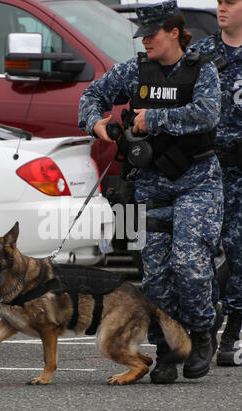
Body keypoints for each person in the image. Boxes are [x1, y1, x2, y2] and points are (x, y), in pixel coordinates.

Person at [78, 0, 223, 383]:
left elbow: (208, 114)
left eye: (152, 34)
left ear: (174, 32)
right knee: (156, 276)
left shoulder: (201, 71)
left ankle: (202, 331)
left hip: (197, 182)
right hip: (151, 185)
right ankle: (167, 348)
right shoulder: (134, 71)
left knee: (189, 266)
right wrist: (97, 123)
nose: (145, 41)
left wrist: (152, 117)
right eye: (141, 35)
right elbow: (90, 98)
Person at [193, 0, 242, 367]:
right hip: (207, 169)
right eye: (219, 1)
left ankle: (233, 334)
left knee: (239, 254)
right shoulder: (202, 53)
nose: (221, 8)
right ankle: (206, 327)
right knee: (201, 253)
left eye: (230, 2)